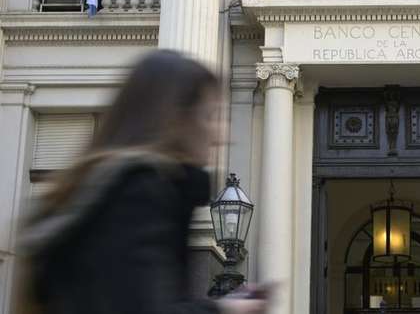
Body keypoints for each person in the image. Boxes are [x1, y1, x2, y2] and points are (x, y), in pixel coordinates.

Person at [15, 50, 267, 314]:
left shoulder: (109, 187)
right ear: (176, 119)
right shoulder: (139, 192)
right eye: (211, 116)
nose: (222, 135)